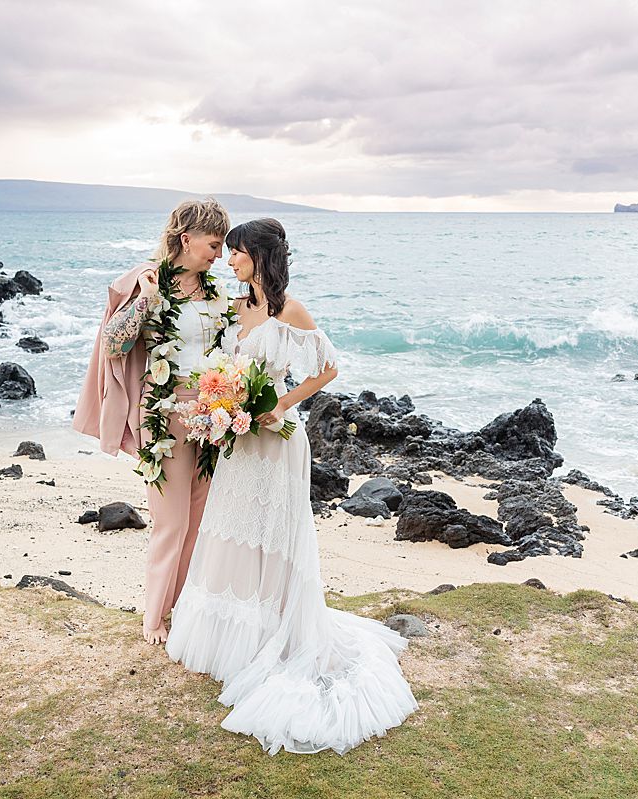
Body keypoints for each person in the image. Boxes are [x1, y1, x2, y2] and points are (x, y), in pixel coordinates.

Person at [164, 218, 419, 755]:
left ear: (258, 255)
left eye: (236, 253)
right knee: (233, 527)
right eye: (226, 252)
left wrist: (280, 403)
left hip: (277, 440)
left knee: (273, 532)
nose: (230, 261)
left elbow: (328, 368)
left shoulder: (289, 311)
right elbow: (221, 366)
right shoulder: (236, 309)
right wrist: (223, 403)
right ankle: (232, 638)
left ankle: (274, 632)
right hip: (238, 439)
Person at [73, 197, 232, 644]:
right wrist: (146, 300)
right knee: (171, 522)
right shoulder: (147, 281)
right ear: (187, 239)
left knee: (198, 520)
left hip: (213, 412)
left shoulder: (214, 292)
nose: (218, 255)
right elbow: (114, 345)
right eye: (213, 244)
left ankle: (184, 608)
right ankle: (154, 617)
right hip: (165, 413)